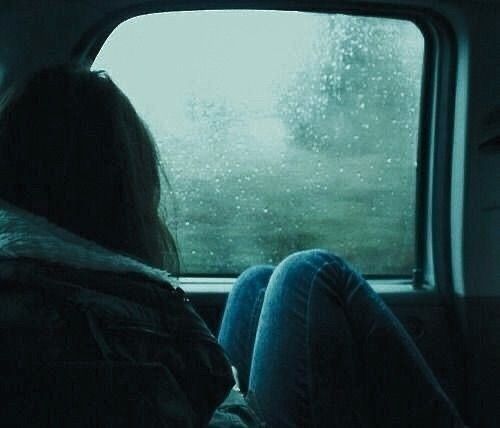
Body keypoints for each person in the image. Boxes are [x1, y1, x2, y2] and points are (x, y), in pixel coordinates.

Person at [0, 65, 465, 427]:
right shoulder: (104, 314)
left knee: (255, 284)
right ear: (113, 191)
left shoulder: (31, 287)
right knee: (311, 273)